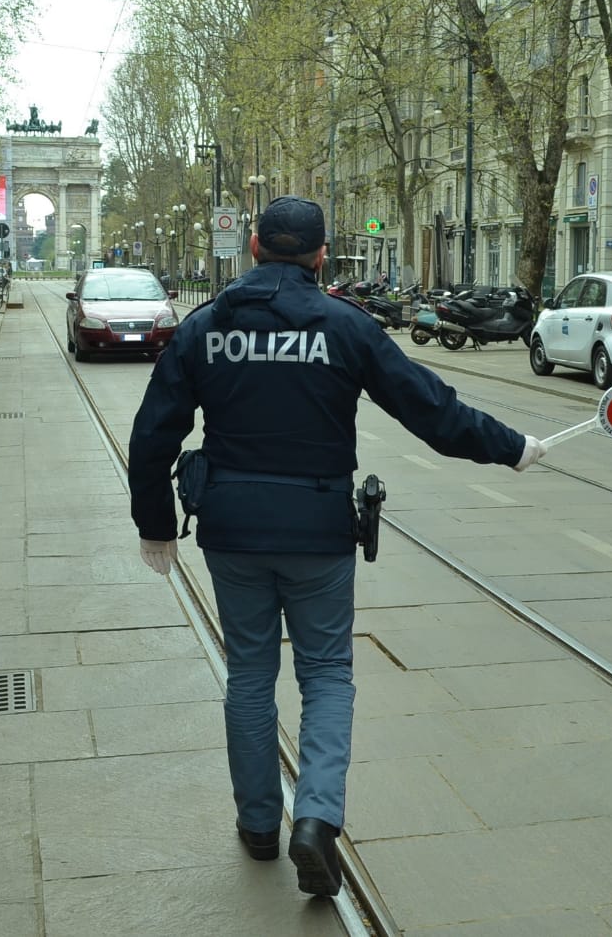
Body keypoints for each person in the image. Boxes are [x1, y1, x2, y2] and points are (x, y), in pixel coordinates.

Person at [127, 195, 545, 897]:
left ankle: (259, 824)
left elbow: (152, 434)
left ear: (254, 246)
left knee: (251, 675)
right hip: (318, 530)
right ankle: (316, 819)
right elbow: (432, 411)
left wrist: (155, 523)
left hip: (231, 529)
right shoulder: (345, 327)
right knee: (324, 675)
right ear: (321, 256)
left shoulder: (207, 328)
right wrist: (514, 447)